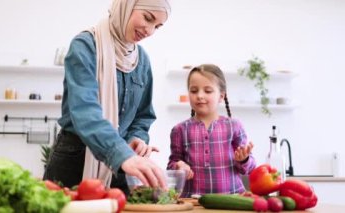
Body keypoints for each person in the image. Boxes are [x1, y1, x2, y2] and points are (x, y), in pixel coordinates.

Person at [43, 0, 171, 195]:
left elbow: (143, 115)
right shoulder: (86, 45)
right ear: (126, 5)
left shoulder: (141, 59)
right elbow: (85, 111)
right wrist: (122, 154)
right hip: (75, 158)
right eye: (148, 18)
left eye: (157, 26)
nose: (150, 31)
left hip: (121, 165)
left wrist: (136, 138)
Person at [167, 64, 256, 198]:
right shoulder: (179, 130)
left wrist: (244, 160)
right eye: (194, 90)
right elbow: (172, 164)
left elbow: (249, 169)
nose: (200, 96)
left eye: (208, 91)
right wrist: (178, 166)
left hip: (232, 200)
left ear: (221, 96)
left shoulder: (234, 126)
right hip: (193, 201)